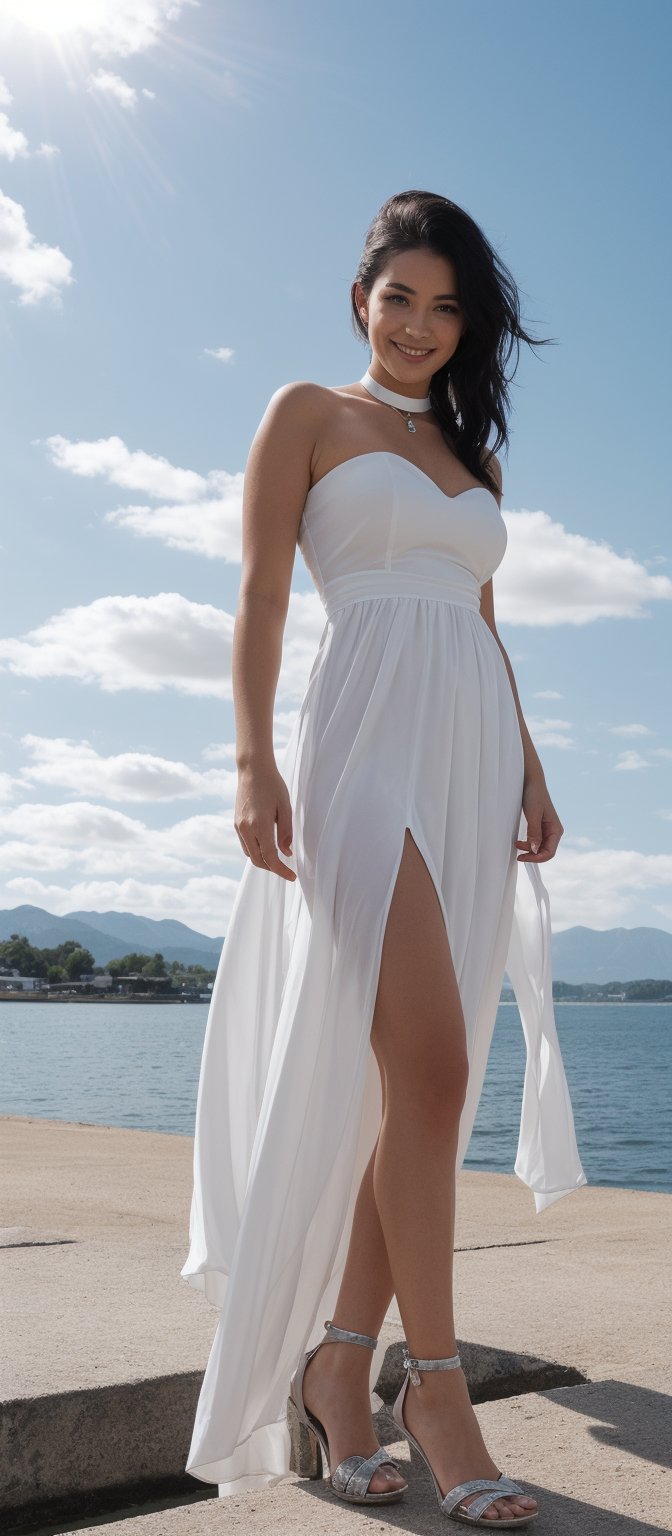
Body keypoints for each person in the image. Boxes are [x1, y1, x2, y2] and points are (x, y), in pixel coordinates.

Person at [180, 190, 587, 1527]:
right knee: (436, 1064)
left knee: (422, 1088)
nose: (417, 323)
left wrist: (529, 763)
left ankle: (339, 1373)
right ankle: (439, 1386)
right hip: (359, 749)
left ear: (469, 325)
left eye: (445, 303)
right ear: (361, 298)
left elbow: (485, 622)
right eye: (398, 295)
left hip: (470, 756)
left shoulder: (475, 456)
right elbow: (257, 593)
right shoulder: (307, 413)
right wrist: (253, 765)